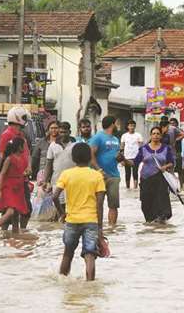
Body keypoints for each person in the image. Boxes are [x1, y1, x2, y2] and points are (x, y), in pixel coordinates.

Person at [52, 142, 106, 281]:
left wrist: (62, 214)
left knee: (68, 254)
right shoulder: (96, 176)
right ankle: (90, 286)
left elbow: (54, 196)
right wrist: (100, 227)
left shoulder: (66, 174)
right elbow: (100, 204)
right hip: (91, 221)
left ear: (73, 158)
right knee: (90, 255)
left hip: (72, 220)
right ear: (89, 158)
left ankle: (62, 281)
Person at [0, 106, 32, 229]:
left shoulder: (22, 135)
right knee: (9, 211)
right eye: (24, 118)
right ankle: (2, 236)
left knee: (24, 210)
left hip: (22, 178)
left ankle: (18, 235)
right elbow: (2, 157)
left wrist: (28, 167)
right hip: (11, 179)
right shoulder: (6, 135)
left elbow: (27, 154)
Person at [132, 125, 174, 223]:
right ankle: (150, 229)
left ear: (161, 136)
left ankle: (159, 229)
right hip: (146, 181)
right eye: (153, 134)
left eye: (158, 134)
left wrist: (165, 167)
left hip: (160, 181)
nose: (155, 136)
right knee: (146, 205)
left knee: (161, 206)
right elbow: (135, 163)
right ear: (150, 136)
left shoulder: (166, 148)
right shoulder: (143, 149)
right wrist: (124, 160)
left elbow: (171, 162)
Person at [90, 116, 121, 226]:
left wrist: (120, 157)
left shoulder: (116, 139)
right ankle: (99, 228)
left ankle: (112, 228)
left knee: (114, 205)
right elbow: (91, 154)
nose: (118, 126)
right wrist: (99, 170)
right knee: (98, 204)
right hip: (100, 176)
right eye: (117, 124)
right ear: (113, 124)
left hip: (114, 176)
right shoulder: (98, 137)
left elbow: (116, 157)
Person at [0, 138, 29, 233]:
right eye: (23, 146)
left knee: (15, 215)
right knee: (10, 212)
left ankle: (14, 238)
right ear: (18, 147)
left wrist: (26, 175)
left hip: (19, 187)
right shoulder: (9, 159)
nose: (24, 148)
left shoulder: (21, 158)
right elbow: (2, 174)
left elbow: (21, 171)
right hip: (9, 187)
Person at [43, 122, 76, 213]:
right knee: (59, 205)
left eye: (65, 132)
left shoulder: (75, 145)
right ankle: (60, 224)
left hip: (73, 181)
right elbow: (48, 164)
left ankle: (69, 225)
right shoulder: (53, 145)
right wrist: (45, 181)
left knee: (72, 206)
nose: (63, 134)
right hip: (57, 181)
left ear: (69, 132)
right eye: (61, 132)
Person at [120, 120, 143, 190]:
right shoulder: (124, 136)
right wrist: (122, 159)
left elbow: (141, 147)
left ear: (135, 126)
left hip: (135, 157)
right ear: (127, 126)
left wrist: (141, 157)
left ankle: (135, 188)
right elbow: (122, 147)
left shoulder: (138, 135)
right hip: (126, 157)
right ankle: (127, 188)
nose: (132, 127)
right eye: (130, 126)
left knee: (135, 172)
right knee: (127, 173)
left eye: (133, 125)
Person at [168, 117, 184, 187]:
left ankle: (182, 186)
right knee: (169, 171)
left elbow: (183, 135)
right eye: (170, 124)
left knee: (180, 171)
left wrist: (176, 140)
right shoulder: (168, 131)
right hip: (170, 154)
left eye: (173, 124)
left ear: (176, 124)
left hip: (178, 153)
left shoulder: (179, 131)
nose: (172, 125)